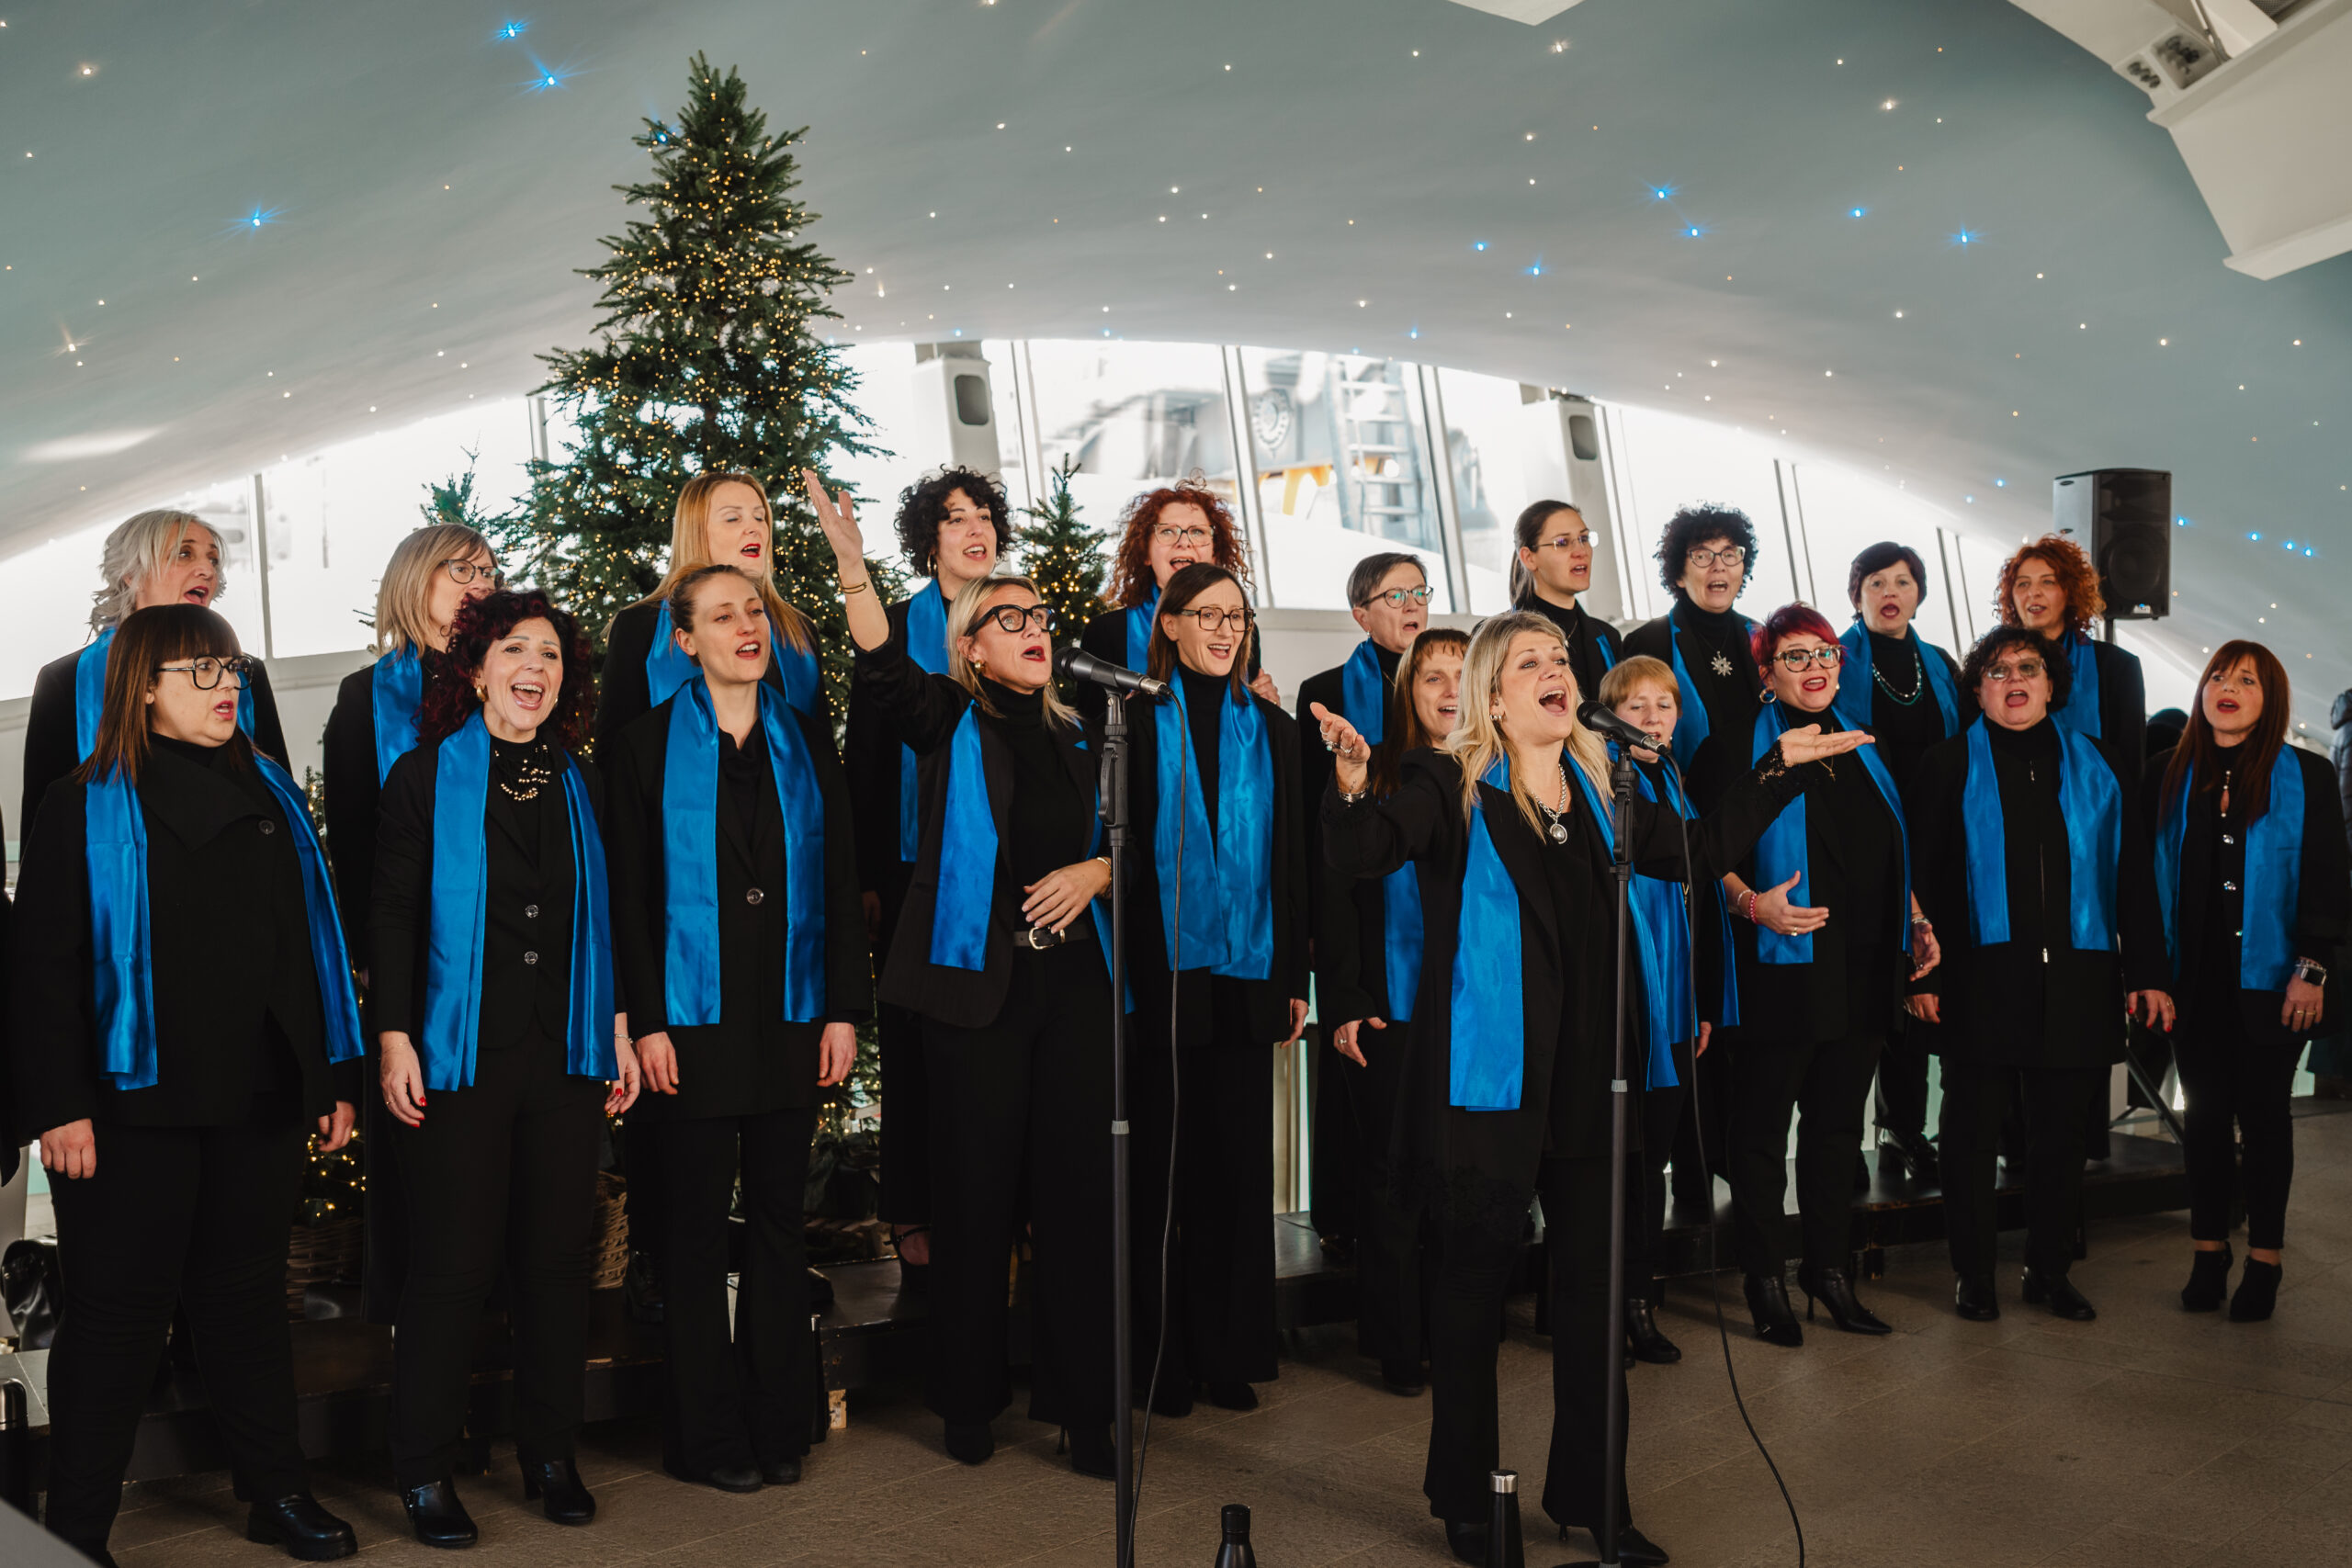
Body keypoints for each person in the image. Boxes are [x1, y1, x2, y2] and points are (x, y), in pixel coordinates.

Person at [1314, 612, 1858, 1565]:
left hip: (1594, 1086)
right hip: (1488, 1087)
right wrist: (1354, 785)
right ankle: (1467, 1496)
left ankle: (1590, 1495)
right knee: (1472, 1293)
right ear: (1493, 695)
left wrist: (1780, 770)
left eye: (1560, 658)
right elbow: (1362, 854)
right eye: (1531, 662)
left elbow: (1695, 849)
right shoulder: (1449, 787)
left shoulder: (1606, 793)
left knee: (1596, 1298)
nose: (1555, 671)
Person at [7, 604, 363, 1564]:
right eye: (199, 673)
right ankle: (76, 1529)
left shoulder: (273, 796)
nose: (225, 687)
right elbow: (42, 970)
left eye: (230, 668)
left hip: (255, 1097)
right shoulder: (84, 803)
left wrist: (328, 1079)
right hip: (129, 1109)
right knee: (117, 1322)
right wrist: (59, 1103)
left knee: (248, 1306)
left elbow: (302, 957)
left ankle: (274, 1494)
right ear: (143, 689)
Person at [808, 473, 1119, 1475]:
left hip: (1071, 994)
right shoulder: (948, 720)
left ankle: (1084, 1409)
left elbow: (1140, 846)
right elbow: (879, 665)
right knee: (975, 1201)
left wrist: (1097, 868)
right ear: (972, 647)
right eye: (1006, 618)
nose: (1030, 627)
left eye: (1037, 614)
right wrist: (854, 568)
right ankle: (969, 1399)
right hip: (972, 994)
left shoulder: (1087, 736)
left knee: (1074, 1204)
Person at [370, 589, 641, 1547]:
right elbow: (394, 914)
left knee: (558, 1267)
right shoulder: (421, 778)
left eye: (553, 656)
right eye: (516, 650)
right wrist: (394, 1035)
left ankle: (550, 1453)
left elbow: (606, 916)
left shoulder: (582, 778)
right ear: (477, 668)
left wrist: (614, 1026)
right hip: (457, 1054)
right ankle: (422, 1470)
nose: (536, 667)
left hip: (564, 1053)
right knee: (451, 1267)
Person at [605, 565, 865, 1490]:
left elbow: (838, 881)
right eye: (722, 615)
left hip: (790, 1021)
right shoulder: (639, 748)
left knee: (778, 1230)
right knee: (687, 1237)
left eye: (753, 610)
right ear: (685, 641)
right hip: (688, 1028)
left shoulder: (802, 737)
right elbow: (626, 902)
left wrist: (842, 1010)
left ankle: (777, 1426)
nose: (746, 626)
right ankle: (707, 1438)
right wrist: (644, 1024)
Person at [594, 473, 823, 1322]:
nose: (756, 526)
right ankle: (663, 1270)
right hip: (679, 927)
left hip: (776, 940)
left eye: (763, 514)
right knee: (680, 1168)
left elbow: (816, 781)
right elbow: (617, 772)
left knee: (774, 1187)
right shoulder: (638, 631)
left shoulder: (791, 633)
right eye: (735, 515)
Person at [1907, 626, 2169, 1323]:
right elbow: (1921, 882)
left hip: (2080, 977)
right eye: (1996, 671)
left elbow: (2133, 878)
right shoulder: (1947, 763)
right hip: (1977, 977)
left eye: (2028, 668)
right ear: (1977, 689)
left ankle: (2048, 1268)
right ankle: (1974, 1273)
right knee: (1969, 1134)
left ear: (2053, 683)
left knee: (2061, 1137)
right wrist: (1922, 977)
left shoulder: (2101, 764)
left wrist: (2147, 970)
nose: (2014, 680)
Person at [1697, 606, 1933, 1345]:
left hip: (1862, 969)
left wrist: (1918, 919)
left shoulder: (1862, 741)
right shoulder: (1734, 744)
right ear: (1765, 675)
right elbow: (1699, 851)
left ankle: (1828, 1271)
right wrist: (1749, 902)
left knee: (1837, 1133)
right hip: (1778, 970)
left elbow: (1891, 846)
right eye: (1793, 657)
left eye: (1824, 652)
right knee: (1764, 1135)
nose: (1814, 667)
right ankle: (1764, 1277)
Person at [1126, 562, 1308, 1417]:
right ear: (1169, 624)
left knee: (1237, 1171)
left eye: (1237, 616)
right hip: (1159, 976)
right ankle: (1161, 1357)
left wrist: (1294, 980)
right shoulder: (1125, 719)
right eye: (1207, 614)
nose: (1225, 629)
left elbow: (1293, 861)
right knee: (1166, 1167)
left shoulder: (1273, 730)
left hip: (1246, 974)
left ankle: (1230, 1348)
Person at [321, 523, 500, 1325]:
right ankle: (419, 1360)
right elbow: (352, 842)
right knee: (416, 1173)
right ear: (414, 581)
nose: (479, 583)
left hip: (508, 959)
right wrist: (371, 966)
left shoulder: (513, 680)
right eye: (459, 570)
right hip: (409, 971)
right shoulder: (368, 697)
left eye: (490, 572)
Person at [840, 466, 1009, 1283]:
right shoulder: (896, 626)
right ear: (929, 538)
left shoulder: (1017, 615)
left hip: (1000, 871)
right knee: (911, 1044)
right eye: (955, 519)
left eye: (983, 516)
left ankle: (996, 1206)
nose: (974, 530)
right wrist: (871, 874)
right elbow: (865, 761)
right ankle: (912, 1205)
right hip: (912, 865)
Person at [2149, 643, 2346, 1321]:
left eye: (2246, 680)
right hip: (2193, 983)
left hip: (2275, 982)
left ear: (2271, 699)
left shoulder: (2308, 776)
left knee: (2265, 1119)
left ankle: (2265, 1258)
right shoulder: (2166, 776)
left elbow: (2327, 879)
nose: (2227, 688)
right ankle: (2209, 1252)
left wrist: (2311, 969)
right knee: (2202, 1120)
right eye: (2217, 677)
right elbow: (2142, 891)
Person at [1313, 624, 1465, 1395]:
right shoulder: (1373, 779)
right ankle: (1397, 1342)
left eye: (1462, 676)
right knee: (1395, 1179)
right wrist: (1344, 998)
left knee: (1457, 1179)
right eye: (1432, 677)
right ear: (1409, 691)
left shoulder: (1499, 779)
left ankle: (1454, 1331)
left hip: (1472, 1014)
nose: (1449, 691)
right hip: (1388, 1008)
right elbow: (1336, 900)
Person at [1596, 654, 1740, 1364]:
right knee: (1612, 1165)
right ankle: (1600, 1304)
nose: (1653, 718)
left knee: (1649, 1164)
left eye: (1665, 705)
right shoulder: (1599, 783)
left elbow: (1703, 897)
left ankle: (1639, 1302)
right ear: (1608, 716)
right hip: (1619, 1003)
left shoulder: (1672, 781)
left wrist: (1701, 1000)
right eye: (1636, 706)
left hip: (1675, 1006)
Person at [1623, 503, 1763, 1214]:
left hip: (1762, 846)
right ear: (1677, 567)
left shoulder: (1764, 641)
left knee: (1740, 1029)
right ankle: (1685, 1174)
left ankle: (1732, 1165)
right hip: (1678, 852)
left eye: (1731, 553)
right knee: (1691, 1017)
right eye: (1702, 554)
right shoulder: (1647, 641)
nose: (1718, 566)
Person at [1294, 551, 1430, 1270]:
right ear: (1360, 611)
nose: (1411, 604)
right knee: (1357, 1069)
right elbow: (1318, 830)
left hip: (1432, 910)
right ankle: (1344, 1215)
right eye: (1393, 594)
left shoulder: (1450, 689)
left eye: (1419, 591)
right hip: (1356, 903)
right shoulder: (1324, 693)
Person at [20, 509, 290, 851]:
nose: (208, 570)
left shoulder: (247, 673)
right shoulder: (67, 681)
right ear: (132, 573)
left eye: (214, 559)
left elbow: (278, 798)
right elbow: (41, 829)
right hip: (122, 888)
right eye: (184, 553)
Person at [1829, 542, 1967, 1187]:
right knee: (1862, 994)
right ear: (1855, 595)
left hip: (1934, 845)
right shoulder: (1834, 660)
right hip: (1860, 845)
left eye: (1903, 580)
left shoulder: (1939, 664)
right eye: (1876, 581)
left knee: (1922, 986)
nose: (1891, 590)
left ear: (1920, 592)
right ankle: (1839, 1138)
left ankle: (1903, 1128)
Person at [1076, 482, 1275, 716]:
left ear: (1214, 553)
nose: (1184, 542)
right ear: (1145, 553)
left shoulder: (1239, 629)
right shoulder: (1107, 632)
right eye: (1167, 531)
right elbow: (1089, 731)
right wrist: (1130, 715)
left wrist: (1264, 710)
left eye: (1198, 531)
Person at [1510, 500, 1621, 700]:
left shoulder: (1608, 638)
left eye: (1584, 538)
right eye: (1561, 543)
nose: (1581, 551)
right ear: (1529, 558)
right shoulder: (1498, 638)